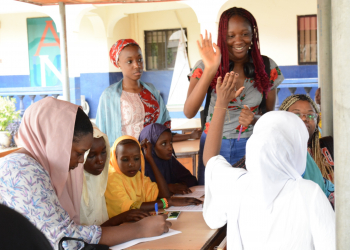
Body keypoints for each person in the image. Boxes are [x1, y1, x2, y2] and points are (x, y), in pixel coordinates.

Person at [0, 97, 171, 249]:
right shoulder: (21, 169)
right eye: (79, 153)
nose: (81, 161)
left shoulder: (41, 169)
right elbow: (64, 240)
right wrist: (139, 229)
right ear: (56, 143)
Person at [202, 73, 335, 249]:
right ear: (297, 147)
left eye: (309, 115)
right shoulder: (310, 193)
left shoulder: (237, 185)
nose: (304, 119)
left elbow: (211, 161)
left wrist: (221, 103)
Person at [184, 7, 284, 184]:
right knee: (213, 200)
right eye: (231, 36)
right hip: (213, 145)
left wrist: (254, 119)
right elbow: (189, 111)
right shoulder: (204, 66)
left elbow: (270, 117)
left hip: (252, 145)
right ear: (222, 37)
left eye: (245, 34)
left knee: (250, 199)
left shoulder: (267, 67)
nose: (238, 41)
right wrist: (210, 68)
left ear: (253, 35)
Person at [96, 39, 201, 146]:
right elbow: (100, 136)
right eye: (130, 61)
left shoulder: (151, 91)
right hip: (127, 160)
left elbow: (163, 130)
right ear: (118, 63)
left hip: (155, 158)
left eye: (140, 59)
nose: (137, 65)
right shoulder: (109, 96)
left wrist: (190, 136)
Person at [105, 135, 202, 218]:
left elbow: (164, 195)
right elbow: (131, 207)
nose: (132, 164)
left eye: (136, 158)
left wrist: (150, 159)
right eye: (125, 159)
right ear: (114, 158)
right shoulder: (111, 178)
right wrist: (168, 202)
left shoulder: (138, 176)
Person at [80, 125, 150, 226]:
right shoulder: (75, 186)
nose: (100, 160)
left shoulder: (100, 177)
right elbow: (82, 235)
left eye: (104, 152)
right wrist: (124, 216)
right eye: (91, 156)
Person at [279, 94, 334, 206]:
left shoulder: (328, 146)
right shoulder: (276, 152)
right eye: (297, 114)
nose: (304, 119)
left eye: (310, 116)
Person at [138, 123, 198, 194]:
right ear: (149, 147)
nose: (170, 148)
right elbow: (142, 194)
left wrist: (178, 185)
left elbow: (191, 180)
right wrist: (168, 187)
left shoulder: (169, 161)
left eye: (171, 142)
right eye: (163, 144)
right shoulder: (139, 168)